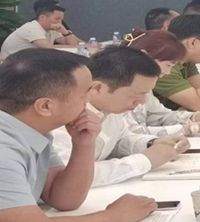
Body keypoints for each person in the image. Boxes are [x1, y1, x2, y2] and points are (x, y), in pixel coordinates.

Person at [0, 49, 156, 222]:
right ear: (46, 106)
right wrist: (117, 215)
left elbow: (64, 199)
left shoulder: (32, 130)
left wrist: (84, 144)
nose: (89, 99)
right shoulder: (4, 150)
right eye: (84, 94)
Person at [51, 47, 191, 187]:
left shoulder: (110, 109)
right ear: (97, 88)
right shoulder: (62, 120)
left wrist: (153, 144)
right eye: (136, 94)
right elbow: (72, 176)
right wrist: (144, 160)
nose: (142, 102)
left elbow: (120, 140)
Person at [1, 4, 83, 59]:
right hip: (11, 65)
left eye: (61, 19)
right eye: (57, 19)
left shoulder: (53, 29)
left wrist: (65, 32)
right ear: (42, 17)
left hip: (27, 62)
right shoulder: (31, 28)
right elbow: (48, 48)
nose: (60, 22)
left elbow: (72, 45)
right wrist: (77, 48)